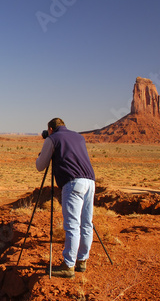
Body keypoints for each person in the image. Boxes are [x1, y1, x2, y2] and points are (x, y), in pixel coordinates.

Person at [35, 117, 95, 278]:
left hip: (73, 183)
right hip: (90, 182)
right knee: (87, 223)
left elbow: (41, 166)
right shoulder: (79, 136)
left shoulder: (52, 138)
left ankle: (68, 266)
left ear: (51, 129)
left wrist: (41, 153)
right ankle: (82, 261)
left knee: (72, 225)